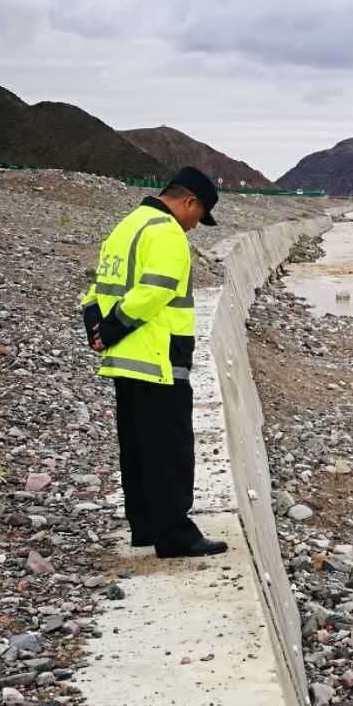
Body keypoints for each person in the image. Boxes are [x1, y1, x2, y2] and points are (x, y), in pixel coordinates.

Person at [79, 166, 228, 558]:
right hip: (157, 357)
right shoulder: (166, 232)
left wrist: (97, 326)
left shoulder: (126, 226)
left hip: (124, 360)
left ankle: (145, 526)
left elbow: (99, 286)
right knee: (169, 449)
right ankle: (175, 534)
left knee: (137, 447)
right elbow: (153, 292)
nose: (196, 226)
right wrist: (113, 328)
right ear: (189, 202)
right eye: (199, 216)